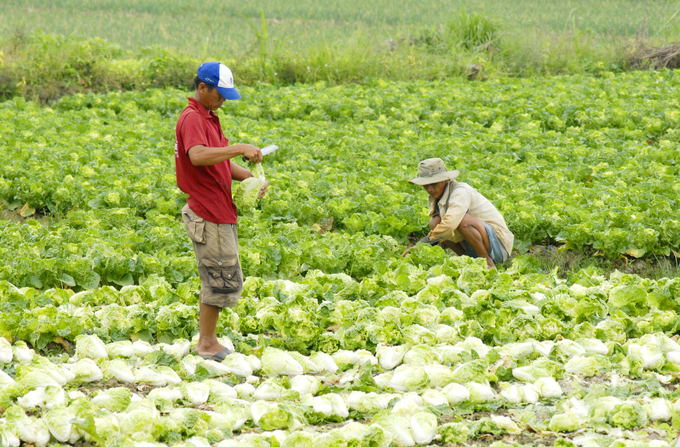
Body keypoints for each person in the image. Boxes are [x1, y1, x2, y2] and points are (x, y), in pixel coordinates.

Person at [175, 62, 268, 361]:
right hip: (207, 209)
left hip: (219, 207)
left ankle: (208, 340)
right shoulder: (192, 118)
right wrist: (239, 146)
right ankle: (207, 343)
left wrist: (250, 179)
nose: (224, 100)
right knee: (217, 275)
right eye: (220, 93)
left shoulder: (210, 118)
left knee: (222, 274)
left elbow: (221, 163)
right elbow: (199, 156)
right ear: (202, 88)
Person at [402, 158, 513, 269]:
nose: (430, 189)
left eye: (434, 184)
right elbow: (442, 230)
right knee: (435, 223)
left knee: (461, 220)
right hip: (476, 244)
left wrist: (421, 245)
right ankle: (465, 259)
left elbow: (449, 225)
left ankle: (488, 263)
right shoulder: (436, 197)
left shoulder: (460, 191)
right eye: (426, 185)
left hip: (498, 245)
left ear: (445, 180)